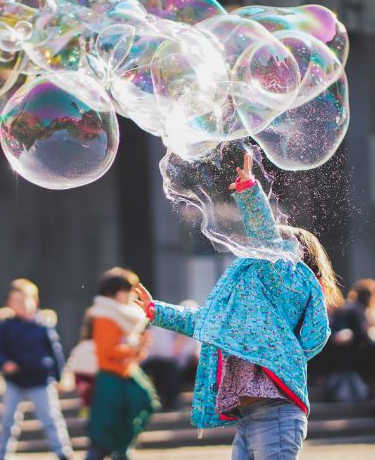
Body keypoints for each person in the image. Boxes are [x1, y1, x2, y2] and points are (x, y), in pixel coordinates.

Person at [133, 152, 343, 460]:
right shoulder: (250, 311)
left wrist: (249, 192)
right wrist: (156, 311)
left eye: (270, 245)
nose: (252, 249)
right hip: (250, 415)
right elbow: (205, 321)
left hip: (275, 413)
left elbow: (267, 242)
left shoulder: (282, 279)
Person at [0, 279, 73, 460]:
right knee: (8, 420)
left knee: (51, 418)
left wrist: (59, 377)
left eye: (23, 300)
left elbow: (55, 352)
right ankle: (2, 454)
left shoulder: (43, 326)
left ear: (34, 301)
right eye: (15, 301)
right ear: (9, 304)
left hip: (40, 380)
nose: (19, 305)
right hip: (15, 380)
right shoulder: (5, 327)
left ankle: (62, 452)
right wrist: (4, 362)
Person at [85, 268, 160, 460]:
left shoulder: (124, 315)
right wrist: (135, 348)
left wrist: (138, 348)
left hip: (125, 372)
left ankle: (123, 448)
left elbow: (130, 349)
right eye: (125, 290)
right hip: (111, 375)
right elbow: (107, 350)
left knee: (141, 404)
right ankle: (121, 449)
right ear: (112, 292)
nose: (129, 295)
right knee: (107, 427)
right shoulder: (105, 316)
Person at [141, 300, 201, 410]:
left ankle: (206, 404)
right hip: (155, 365)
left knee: (205, 367)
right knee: (168, 367)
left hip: (178, 367)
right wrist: (182, 337)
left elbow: (196, 355)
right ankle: (170, 403)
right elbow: (168, 354)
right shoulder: (161, 327)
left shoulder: (193, 332)